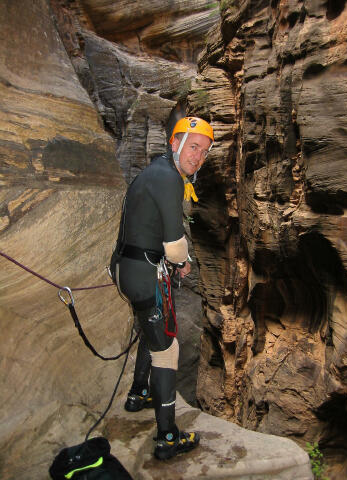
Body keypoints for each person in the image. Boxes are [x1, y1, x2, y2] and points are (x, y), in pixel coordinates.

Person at [110, 116, 214, 460]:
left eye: (204, 152)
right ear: (175, 144)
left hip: (126, 268)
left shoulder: (152, 172)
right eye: (193, 147)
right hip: (144, 272)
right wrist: (182, 262)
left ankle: (140, 392)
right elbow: (173, 243)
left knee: (149, 329)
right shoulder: (169, 179)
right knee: (167, 349)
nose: (197, 157)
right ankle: (167, 436)